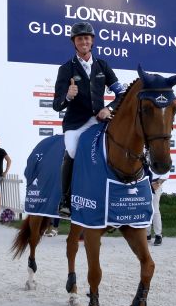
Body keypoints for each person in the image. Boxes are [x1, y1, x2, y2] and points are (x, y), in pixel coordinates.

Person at [52, 21, 125, 217]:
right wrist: (68, 95)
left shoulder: (102, 65)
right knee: (73, 151)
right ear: (74, 43)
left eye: (87, 38)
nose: (83, 41)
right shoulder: (66, 69)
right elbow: (56, 105)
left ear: (92, 41)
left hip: (98, 121)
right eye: (79, 38)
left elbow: (121, 95)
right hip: (75, 124)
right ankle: (65, 200)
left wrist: (107, 108)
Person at [145, 157, 166, 245]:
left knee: (155, 210)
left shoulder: (159, 152)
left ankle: (158, 235)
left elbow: (166, 170)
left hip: (155, 183)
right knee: (145, 209)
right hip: (144, 183)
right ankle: (147, 234)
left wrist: (158, 183)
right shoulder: (142, 151)